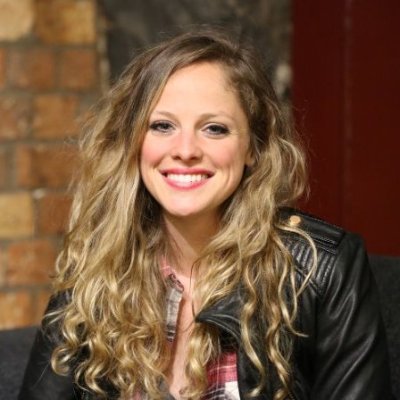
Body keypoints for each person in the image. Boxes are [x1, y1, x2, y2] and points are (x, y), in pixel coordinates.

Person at [19, 29, 393, 400]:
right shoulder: (96, 263)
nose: (185, 150)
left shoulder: (322, 270)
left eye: (214, 129)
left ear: (254, 148)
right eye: (162, 126)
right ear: (133, 141)